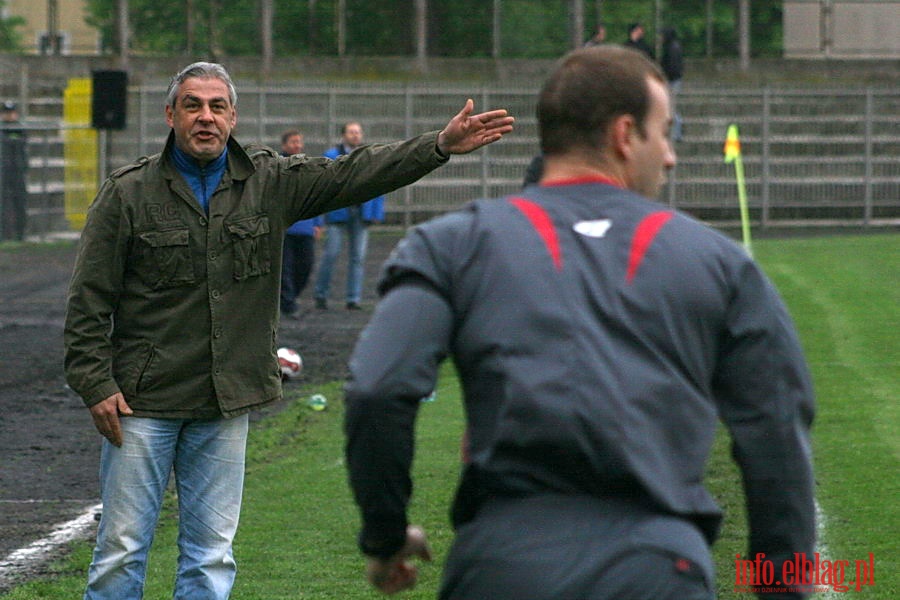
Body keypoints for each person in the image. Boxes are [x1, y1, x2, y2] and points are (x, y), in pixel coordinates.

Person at [344, 46, 815, 600]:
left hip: (500, 567)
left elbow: (377, 390)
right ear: (623, 134)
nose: (670, 157)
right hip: (661, 572)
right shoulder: (721, 262)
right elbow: (776, 435)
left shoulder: (452, 244)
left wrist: (384, 538)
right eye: (665, 133)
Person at [63, 61, 513, 600]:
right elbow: (88, 299)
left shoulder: (269, 180)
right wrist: (96, 384)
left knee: (210, 557)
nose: (205, 117)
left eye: (217, 106)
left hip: (226, 399)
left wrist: (437, 145)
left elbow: (356, 172)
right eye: (192, 105)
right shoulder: (127, 193)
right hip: (142, 401)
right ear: (170, 115)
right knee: (121, 550)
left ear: (233, 116)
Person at [313, 121, 382, 310]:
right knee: (331, 254)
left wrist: (376, 212)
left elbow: (380, 182)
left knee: (358, 257)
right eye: (351, 132)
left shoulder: (369, 155)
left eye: (358, 132)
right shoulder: (331, 156)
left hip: (361, 212)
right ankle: (321, 294)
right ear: (343, 135)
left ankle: (354, 298)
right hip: (338, 212)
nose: (355, 135)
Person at [278, 129, 323, 319]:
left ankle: (290, 298)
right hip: (285, 227)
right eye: (293, 142)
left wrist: (318, 222)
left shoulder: (308, 166)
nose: (297, 145)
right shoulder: (276, 166)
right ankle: (287, 304)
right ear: (284, 145)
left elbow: (316, 195)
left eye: (299, 142)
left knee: (306, 265)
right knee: (285, 268)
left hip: (305, 226)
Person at [1, 101, 28, 241]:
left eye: (12, 112)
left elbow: (21, 142)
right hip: (3, 173)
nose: (10, 115)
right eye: (6, 112)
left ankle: (20, 234)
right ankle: (5, 235)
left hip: (18, 171)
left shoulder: (20, 128)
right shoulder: (2, 128)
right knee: (3, 204)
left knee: (20, 203)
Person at [661, 26, 685, 141]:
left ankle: (677, 133)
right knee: (670, 107)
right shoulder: (673, 47)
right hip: (673, 79)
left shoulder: (672, 48)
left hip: (672, 80)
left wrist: (666, 76)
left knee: (671, 108)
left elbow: (672, 67)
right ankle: (676, 133)